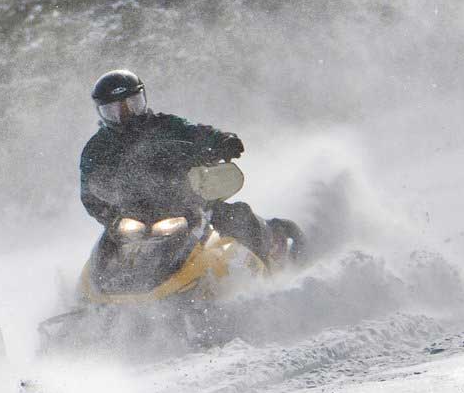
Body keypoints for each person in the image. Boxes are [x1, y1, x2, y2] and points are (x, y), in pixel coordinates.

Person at [80, 69, 300, 265]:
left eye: (132, 105)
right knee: (106, 252)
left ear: (143, 99)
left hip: (186, 203)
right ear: (102, 113)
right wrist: (112, 217)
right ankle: (87, 301)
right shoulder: (97, 148)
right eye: (115, 110)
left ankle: (265, 263)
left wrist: (222, 141)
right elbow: (89, 192)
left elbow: (198, 133)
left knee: (237, 217)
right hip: (131, 216)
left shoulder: (166, 125)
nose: (126, 114)